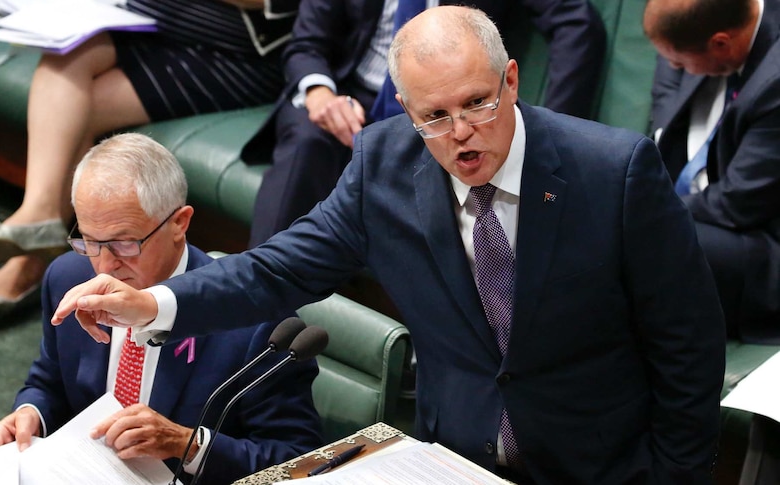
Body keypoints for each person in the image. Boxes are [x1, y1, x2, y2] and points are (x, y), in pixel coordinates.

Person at [53, 7, 726, 483]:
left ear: (513, 80)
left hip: (597, 464)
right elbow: (276, 269)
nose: (461, 134)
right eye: (434, 115)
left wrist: (674, 474)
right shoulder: (384, 163)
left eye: (478, 103)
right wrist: (151, 301)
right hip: (456, 457)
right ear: (403, 108)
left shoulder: (615, 171)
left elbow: (688, 342)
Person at [0, 133, 322, 484]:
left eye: (124, 244)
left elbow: (296, 465)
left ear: (180, 223)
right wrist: (31, 413)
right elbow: (49, 379)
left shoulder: (257, 327)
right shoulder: (67, 278)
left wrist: (185, 444)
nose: (103, 267)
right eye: (89, 240)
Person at [0, 0, 300, 314]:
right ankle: (39, 213)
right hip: (147, 20)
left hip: (235, 51)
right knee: (65, 57)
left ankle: (28, 261)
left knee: (76, 115)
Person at [244, 0, 606, 246]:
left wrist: (545, 132)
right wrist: (320, 93)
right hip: (353, 95)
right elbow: (306, 44)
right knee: (306, 141)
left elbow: (577, 25)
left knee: (460, 147)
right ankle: (255, 323)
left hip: (444, 105)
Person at [644, 0, 780, 343]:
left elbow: (738, 202)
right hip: (707, 197)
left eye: (679, 62)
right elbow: (667, 79)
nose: (674, 67)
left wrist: (651, 208)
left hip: (763, 238)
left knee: (654, 237)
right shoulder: (700, 27)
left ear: (720, 43)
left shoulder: (774, 84)